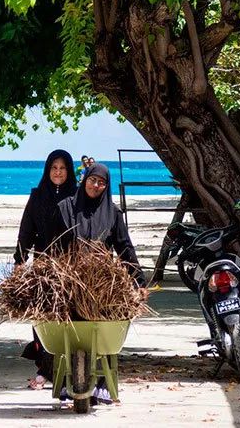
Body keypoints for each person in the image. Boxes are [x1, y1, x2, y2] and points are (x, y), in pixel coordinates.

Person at [52, 162, 145, 404]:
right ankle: (65, 383)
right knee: (68, 329)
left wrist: (138, 280)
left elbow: (125, 248)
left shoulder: (113, 214)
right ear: (85, 180)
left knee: (104, 328)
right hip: (70, 280)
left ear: (106, 186)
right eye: (92, 180)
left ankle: (103, 384)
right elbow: (55, 246)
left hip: (102, 285)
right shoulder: (66, 208)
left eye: (101, 182)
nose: (96, 185)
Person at [14, 149, 78, 390]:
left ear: (69, 171)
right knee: (43, 318)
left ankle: (70, 367)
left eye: (62, 168)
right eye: (54, 168)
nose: (58, 172)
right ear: (47, 170)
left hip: (72, 265)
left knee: (69, 318)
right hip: (44, 263)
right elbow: (26, 231)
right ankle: (44, 369)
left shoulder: (77, 196)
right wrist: (20, 261)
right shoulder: (38, 196)